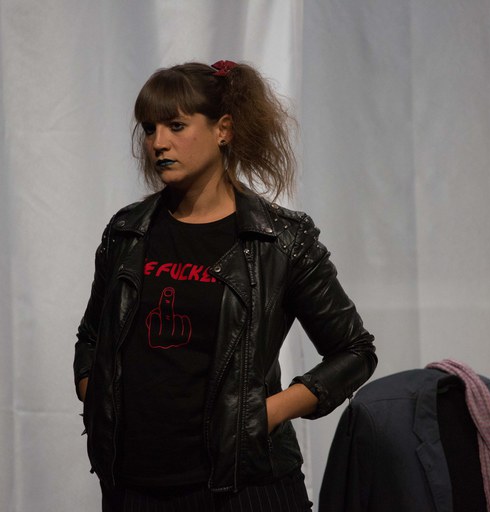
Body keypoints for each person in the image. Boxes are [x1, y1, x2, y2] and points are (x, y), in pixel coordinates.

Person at [73, 60, 377, 511]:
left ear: (223, 130)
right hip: (132, 487)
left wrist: (266, 413)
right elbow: (92, 336)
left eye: (176, 126)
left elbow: (354, 351)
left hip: (244, 487)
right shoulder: (127, 232)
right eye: (150, 128)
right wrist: (95, 392)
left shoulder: (279, 240)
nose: (158, 142)